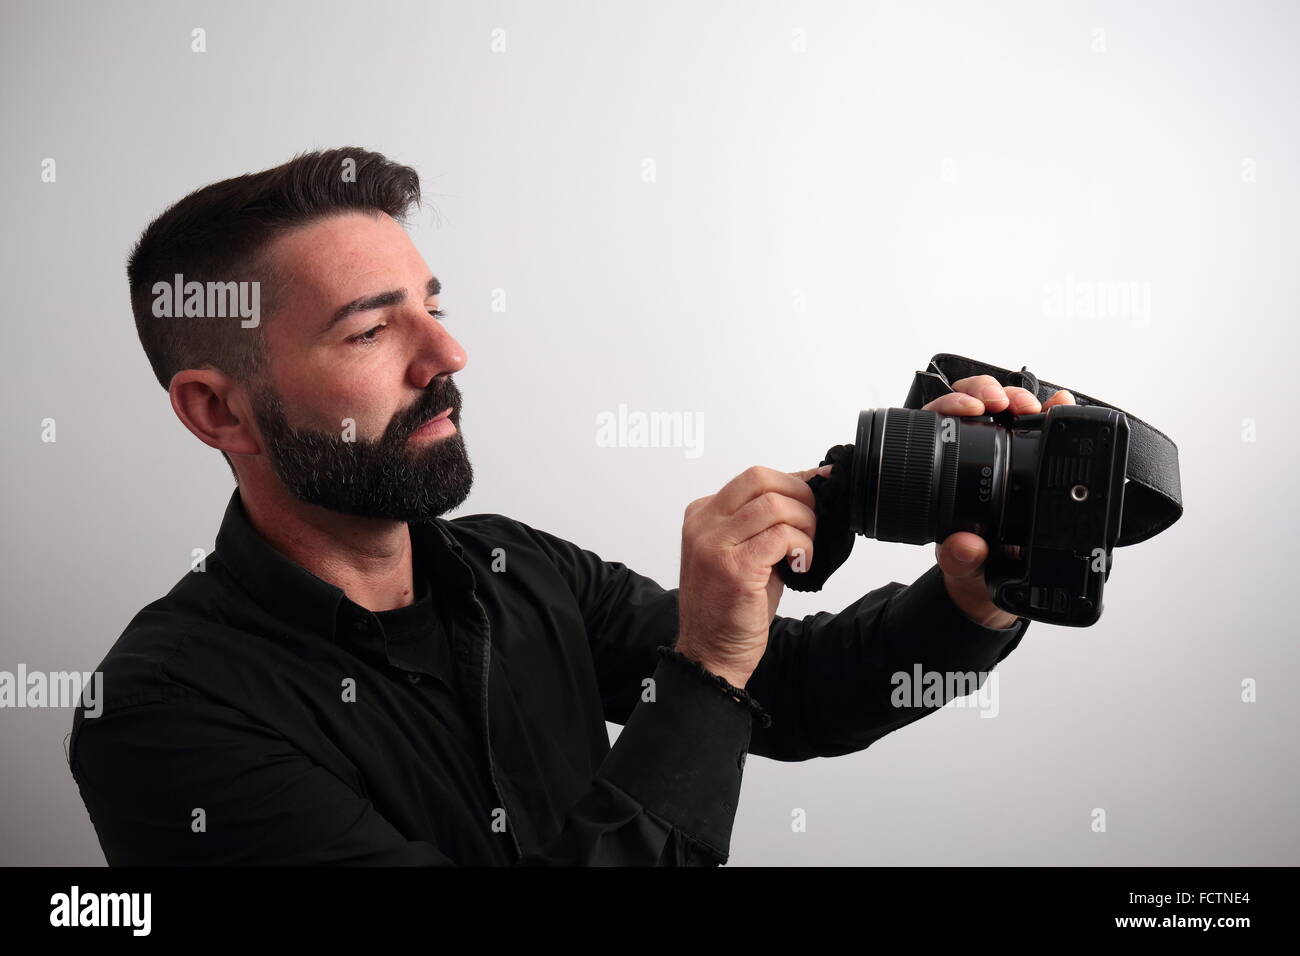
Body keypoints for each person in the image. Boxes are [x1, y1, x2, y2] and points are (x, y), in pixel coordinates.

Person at [67, 147, 1073, 866]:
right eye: (372, 331)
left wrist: (972, 595)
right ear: (218, 408)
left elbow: (798, 689)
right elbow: (715, 685)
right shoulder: (162, 716)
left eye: (435, 306)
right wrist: (707, 664)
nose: (448, 356)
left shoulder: (517, 569)